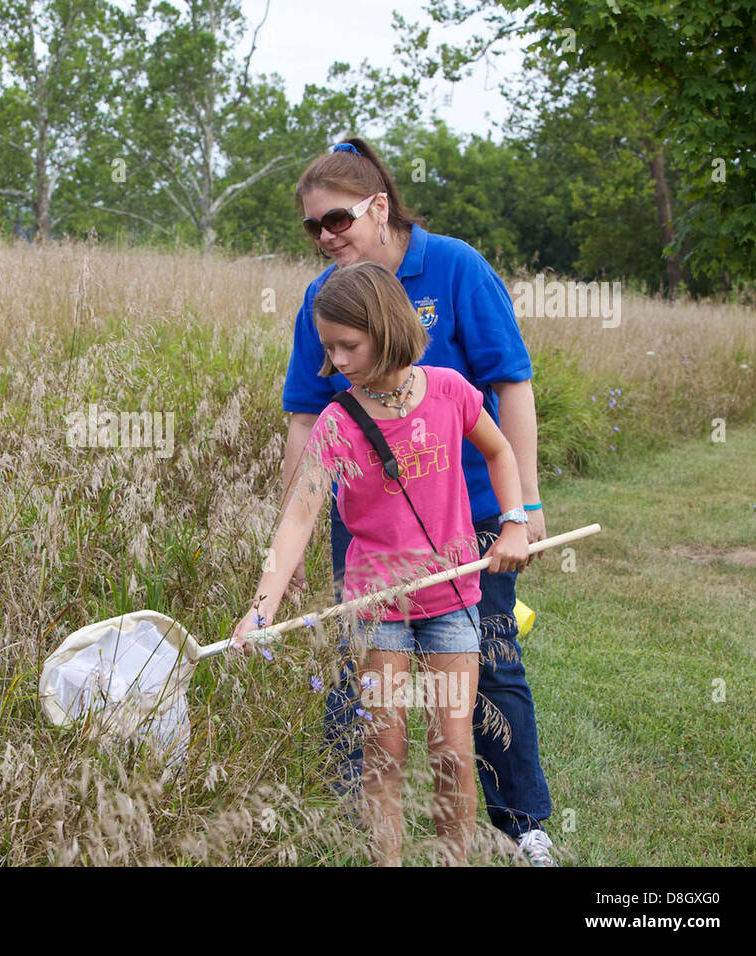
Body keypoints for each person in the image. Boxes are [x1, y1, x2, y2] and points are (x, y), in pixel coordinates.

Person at [277, 137, 558, 866]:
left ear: (377, 207)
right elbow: (307, 417)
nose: (325, 239)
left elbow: (512, 382)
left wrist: (521, 509)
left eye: (336, 221)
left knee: (487, 669)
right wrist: (292, 533)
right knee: (372, 693)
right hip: (371, 526)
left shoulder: (456, 266)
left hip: (466, 516)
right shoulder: (324, 297)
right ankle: (374, 833)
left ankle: (521, 822)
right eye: (312, 229)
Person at [230, 261, 530, 865]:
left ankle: (454, 858)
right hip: (375, 606)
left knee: (451, 742)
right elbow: (299, 516)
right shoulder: (339, 421)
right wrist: (261, 606)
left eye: (350, 345)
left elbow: (500, 452)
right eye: (330, 347)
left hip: (451, 599)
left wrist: (516, 522)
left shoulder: (449, 391)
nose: (337, 360)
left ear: (387, 328)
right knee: (383, 747)